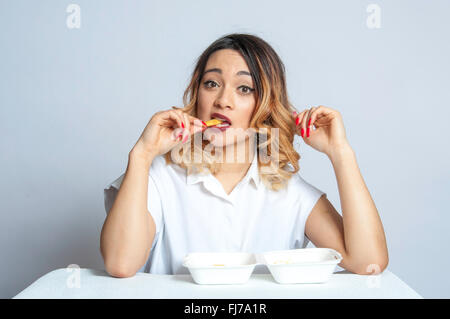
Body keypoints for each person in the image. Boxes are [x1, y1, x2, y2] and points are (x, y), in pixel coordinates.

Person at [101, 33, 389, 278]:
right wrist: (141, 155)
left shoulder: (290, 192)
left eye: (244, 88)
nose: (223, 100)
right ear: (197, 94)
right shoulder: (158, 179)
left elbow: (368, 263)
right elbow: (120, 263)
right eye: (211, 83)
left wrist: (341, 153)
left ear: (265, 106)